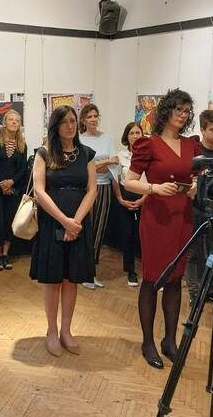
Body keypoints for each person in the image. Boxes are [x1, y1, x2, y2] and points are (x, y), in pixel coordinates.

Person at [124, 89, 200, 369]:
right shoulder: (149, 144)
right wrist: (154, 188)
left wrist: (195, 187)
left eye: (186, 111)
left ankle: (170, 340)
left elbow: (197, 178)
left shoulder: (192, 145)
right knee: (152, 279)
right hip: (157, 218)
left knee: (176, 280)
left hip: (183, 217)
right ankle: (148, 342)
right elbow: (129, 181)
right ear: (167, 111)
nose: (182, 115)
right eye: (178, 109)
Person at [30, 105, 97, 356]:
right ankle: (51, 331)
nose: (69, 126)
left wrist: (75, 222)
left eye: (72, 121)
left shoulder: (87, 154)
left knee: (71, 278)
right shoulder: (44, 153)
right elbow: (39, 191)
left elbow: (92, 190)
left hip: (78, 224)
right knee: (53, 280)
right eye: (64, 121)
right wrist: (64, 221)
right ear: (55, 126)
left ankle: (67, 330)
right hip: (52, 223)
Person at [185, 109, 213, 298]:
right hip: (195, 208)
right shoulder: (194, 152)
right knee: (193, 252)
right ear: (202, 130)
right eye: (212, 129)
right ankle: (194, 293)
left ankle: (210, 288)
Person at [79, 103, 116, 289]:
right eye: (89, 116)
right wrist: (104, 162)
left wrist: (99, 164)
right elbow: (83, 167)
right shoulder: (79, 140)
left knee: (99, 230)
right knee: (86, 229)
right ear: (83, 120)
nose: (93, 119)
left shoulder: (107, 138)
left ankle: (91, 272)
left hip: (105, 187)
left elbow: (115, 162)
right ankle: (82, 271)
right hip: (86, 189)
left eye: (95, 116)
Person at [0, 109, 28, 271]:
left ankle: (5, 253)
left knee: (10, 220)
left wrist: (11, 182)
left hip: (14, 187)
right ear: (4, 122)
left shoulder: (22, 144)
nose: (14, 122)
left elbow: (23, 168)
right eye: (11, 119)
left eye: (17, 120)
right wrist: (2, 183)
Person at [110, 121, 147, 286]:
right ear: (127, 136)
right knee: (128, 234)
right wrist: (120, 199)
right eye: (132, 133)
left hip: (145, 197)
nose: (135, 136)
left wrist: (143, 199)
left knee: (145, 235)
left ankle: (149, 270)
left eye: (138, 132)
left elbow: (152, 179)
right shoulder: (120, 156)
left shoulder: (149, 155)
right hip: (125, 197)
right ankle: (130, 270)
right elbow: (116, 179)